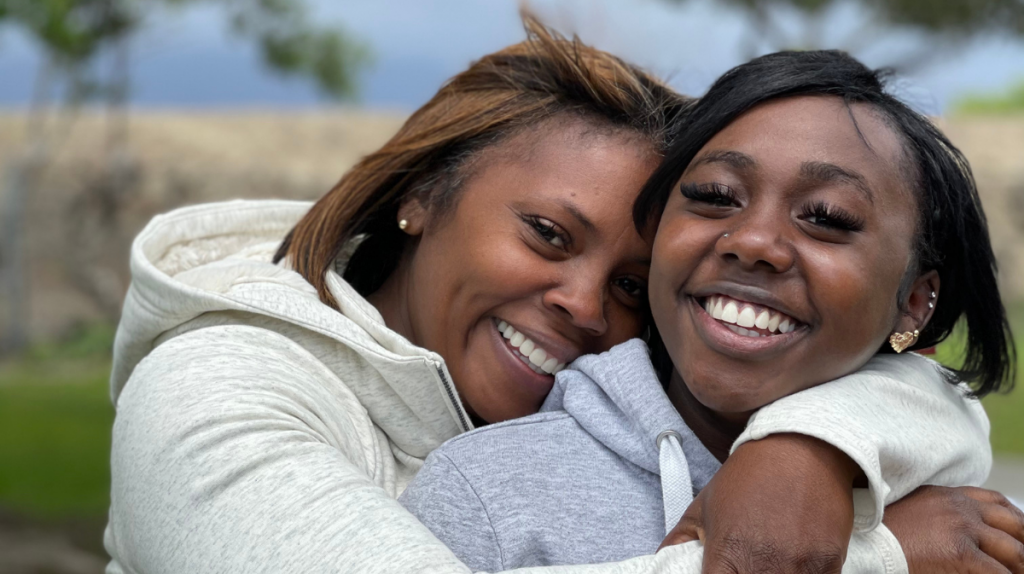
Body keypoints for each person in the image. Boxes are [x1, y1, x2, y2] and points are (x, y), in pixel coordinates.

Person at [105, 19, 999, 574]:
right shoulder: (213, 386)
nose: (584, 304)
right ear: (421, 194)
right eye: (547, 234)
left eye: (628, 283)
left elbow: (901, 376)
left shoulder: (659, 403)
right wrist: (876, 556)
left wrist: (810, 444)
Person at [399, 50, 1023, 573]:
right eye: (716, 195)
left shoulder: (953, 504)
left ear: (913, 302)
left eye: (826, 218)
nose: (752, 242)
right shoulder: (488, 491)